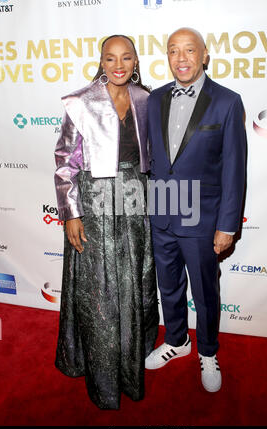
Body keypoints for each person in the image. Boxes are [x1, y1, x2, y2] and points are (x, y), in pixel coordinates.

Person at [54, 34, 159, 409]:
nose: (119, 65)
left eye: (126, 57)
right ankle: (102, 377)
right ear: (101, 61)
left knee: (136, 281)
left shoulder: (147, 100)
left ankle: (134, 360)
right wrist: (71, 213)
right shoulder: (80, 102)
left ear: (135, 61)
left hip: (134, 199)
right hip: (94, 204)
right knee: (99, 291)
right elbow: (65, 162)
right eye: (111, 58)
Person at [145, 27, 246, 392]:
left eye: (190, 50)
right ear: (167, 57)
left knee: (205, 292)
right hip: (162, 211)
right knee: (168, 286)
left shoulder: (227, 101)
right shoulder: (153, 100)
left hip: (203, 216)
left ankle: (207, 351)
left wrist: (228, 225)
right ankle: (176, 341)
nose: (181, 58)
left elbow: (235, 167)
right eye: (174, 50)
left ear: (205, 56)